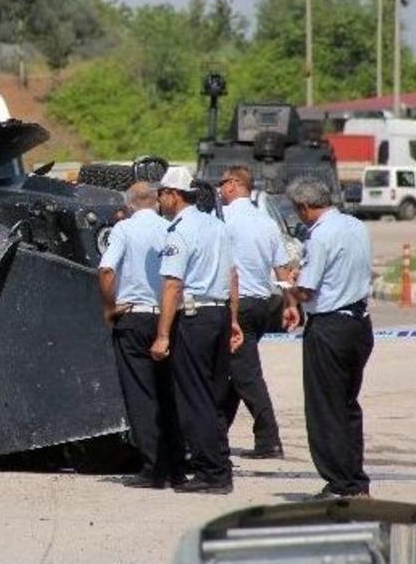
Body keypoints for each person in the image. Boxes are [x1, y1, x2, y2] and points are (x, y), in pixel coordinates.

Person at [150, 165, 243, 494]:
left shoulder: (178, 232)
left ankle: (211, 473)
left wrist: (162, 334)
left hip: (194, 318)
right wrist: (233, 319)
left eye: (161, 194)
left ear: (173, 196)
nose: (159, 201)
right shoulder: (216, 226)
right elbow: (232, 276)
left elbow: (172, 286)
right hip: (218, 314)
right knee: (213, 396)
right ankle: (221, 465)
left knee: (195, 398)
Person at [284, 177, 373, 499]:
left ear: (305, 206)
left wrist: (290, 289)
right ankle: (355, 480)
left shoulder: (319, 236)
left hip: (330, 326)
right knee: (348, 405)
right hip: (359, 322)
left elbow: (308, 288)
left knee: (325, 408)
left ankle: (340, 483)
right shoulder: (355, 225)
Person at [98, 181, 184, 489]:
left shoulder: (124, 230)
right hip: (167, 318)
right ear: (157, 202)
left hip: (133, 316)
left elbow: (106, 270)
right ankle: (177, 465)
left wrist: (109, 308)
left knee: (141, 395)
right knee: (167, 393)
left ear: (130, 204)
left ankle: (152, 468)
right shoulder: (171, 228)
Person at [217, 166, 290, 459]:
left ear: (234, 184)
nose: (219, 190)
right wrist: (291, 304)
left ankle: (269, 439)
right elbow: (283, 270)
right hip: (262, 305)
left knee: (246, 375)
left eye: (222, 184)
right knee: (234, 371)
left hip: (238, 305)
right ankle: (216, 433)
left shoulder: (223, 220)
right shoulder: (267, 223)